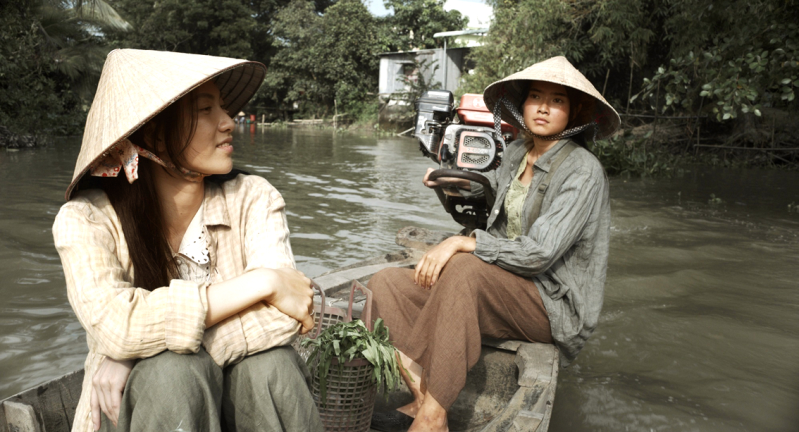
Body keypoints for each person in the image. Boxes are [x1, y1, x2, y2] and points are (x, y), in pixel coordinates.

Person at [53, 49, 323, 432]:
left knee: (271, 367)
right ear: (154, 132)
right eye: (204, 110)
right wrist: (263, 282)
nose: (229, 122)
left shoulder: (253, 197)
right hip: (142, 412)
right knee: (170, 375)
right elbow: (116, 325)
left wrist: (135, 353)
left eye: (224, 108)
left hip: (241, 404)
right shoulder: (85, 219)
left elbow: (285, 317)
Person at [368, 56, 621, 432]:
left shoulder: (582, 170)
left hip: (550, 303)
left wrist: (462, 243)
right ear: (522, 105)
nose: (544, 108)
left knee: (466, 268)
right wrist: (453, 185)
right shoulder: (518, 153)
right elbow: (498, 213)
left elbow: (539, 253)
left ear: (575, 111)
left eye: (557, 101)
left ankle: (434, 418)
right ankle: (423, 397)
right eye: (536, 97)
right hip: (502, 287)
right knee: (385, 284)